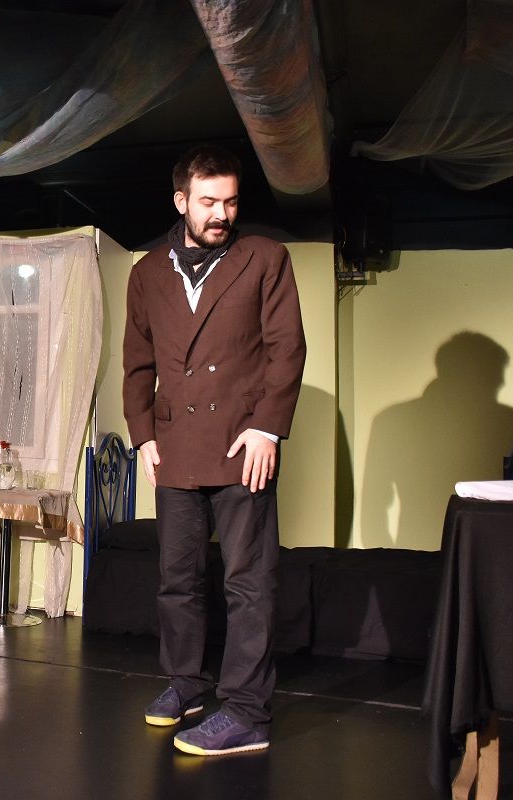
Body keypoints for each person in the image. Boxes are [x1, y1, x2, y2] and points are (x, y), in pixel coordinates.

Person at [122, 144, 305, 755]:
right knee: (177, 579)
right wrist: (144, 435)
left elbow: (287, 348)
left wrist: (268, 428)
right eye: (207, 202)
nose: (221, 213)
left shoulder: (265, 258)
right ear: (181, 201)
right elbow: (137, 362)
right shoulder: (147, 272)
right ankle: (187, 683)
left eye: (229, 201)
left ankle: (248, 712)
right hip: (174, 445)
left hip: (243, 443)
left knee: (248, 582)